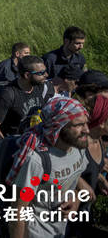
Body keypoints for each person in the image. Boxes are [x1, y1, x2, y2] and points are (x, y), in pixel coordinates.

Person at [8, 97, 90, 238]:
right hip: (36, 233)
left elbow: (71, 180)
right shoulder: (37, 161)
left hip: (59, 230)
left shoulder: (78, 147)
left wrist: (76, 198)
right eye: (78, 125)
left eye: (86, 123)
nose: (86, 130)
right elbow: (18, 209)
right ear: (58, 128)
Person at [67, 70, 108, 237]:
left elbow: (87, 166)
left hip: (83, 212)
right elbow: (54, 171)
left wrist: (100, 179)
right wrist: (79, 184)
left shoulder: (97, 140)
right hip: (67, 215)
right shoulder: (74, 141)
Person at [0, 55, 55, 144]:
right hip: (15, 142)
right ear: (27, 75)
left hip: (35, 139)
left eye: (45, 71)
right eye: (41, 73)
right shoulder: (8, 94)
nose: (46, 75)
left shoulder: (42, 87)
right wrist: (4, 149)